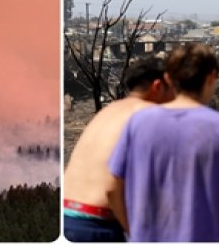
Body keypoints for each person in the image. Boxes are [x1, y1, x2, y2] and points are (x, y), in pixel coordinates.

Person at [108, 43, 219, 241]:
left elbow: (112, 188)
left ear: (167, 78)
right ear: (211, 78)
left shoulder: (137, 123)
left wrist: (134, 232)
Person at [62, 57, 176, 242]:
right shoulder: (150, 115)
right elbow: (112, 189)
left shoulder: (108, 111)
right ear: (158, 86)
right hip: (98, 224)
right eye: (174, 88)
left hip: (66, 215)